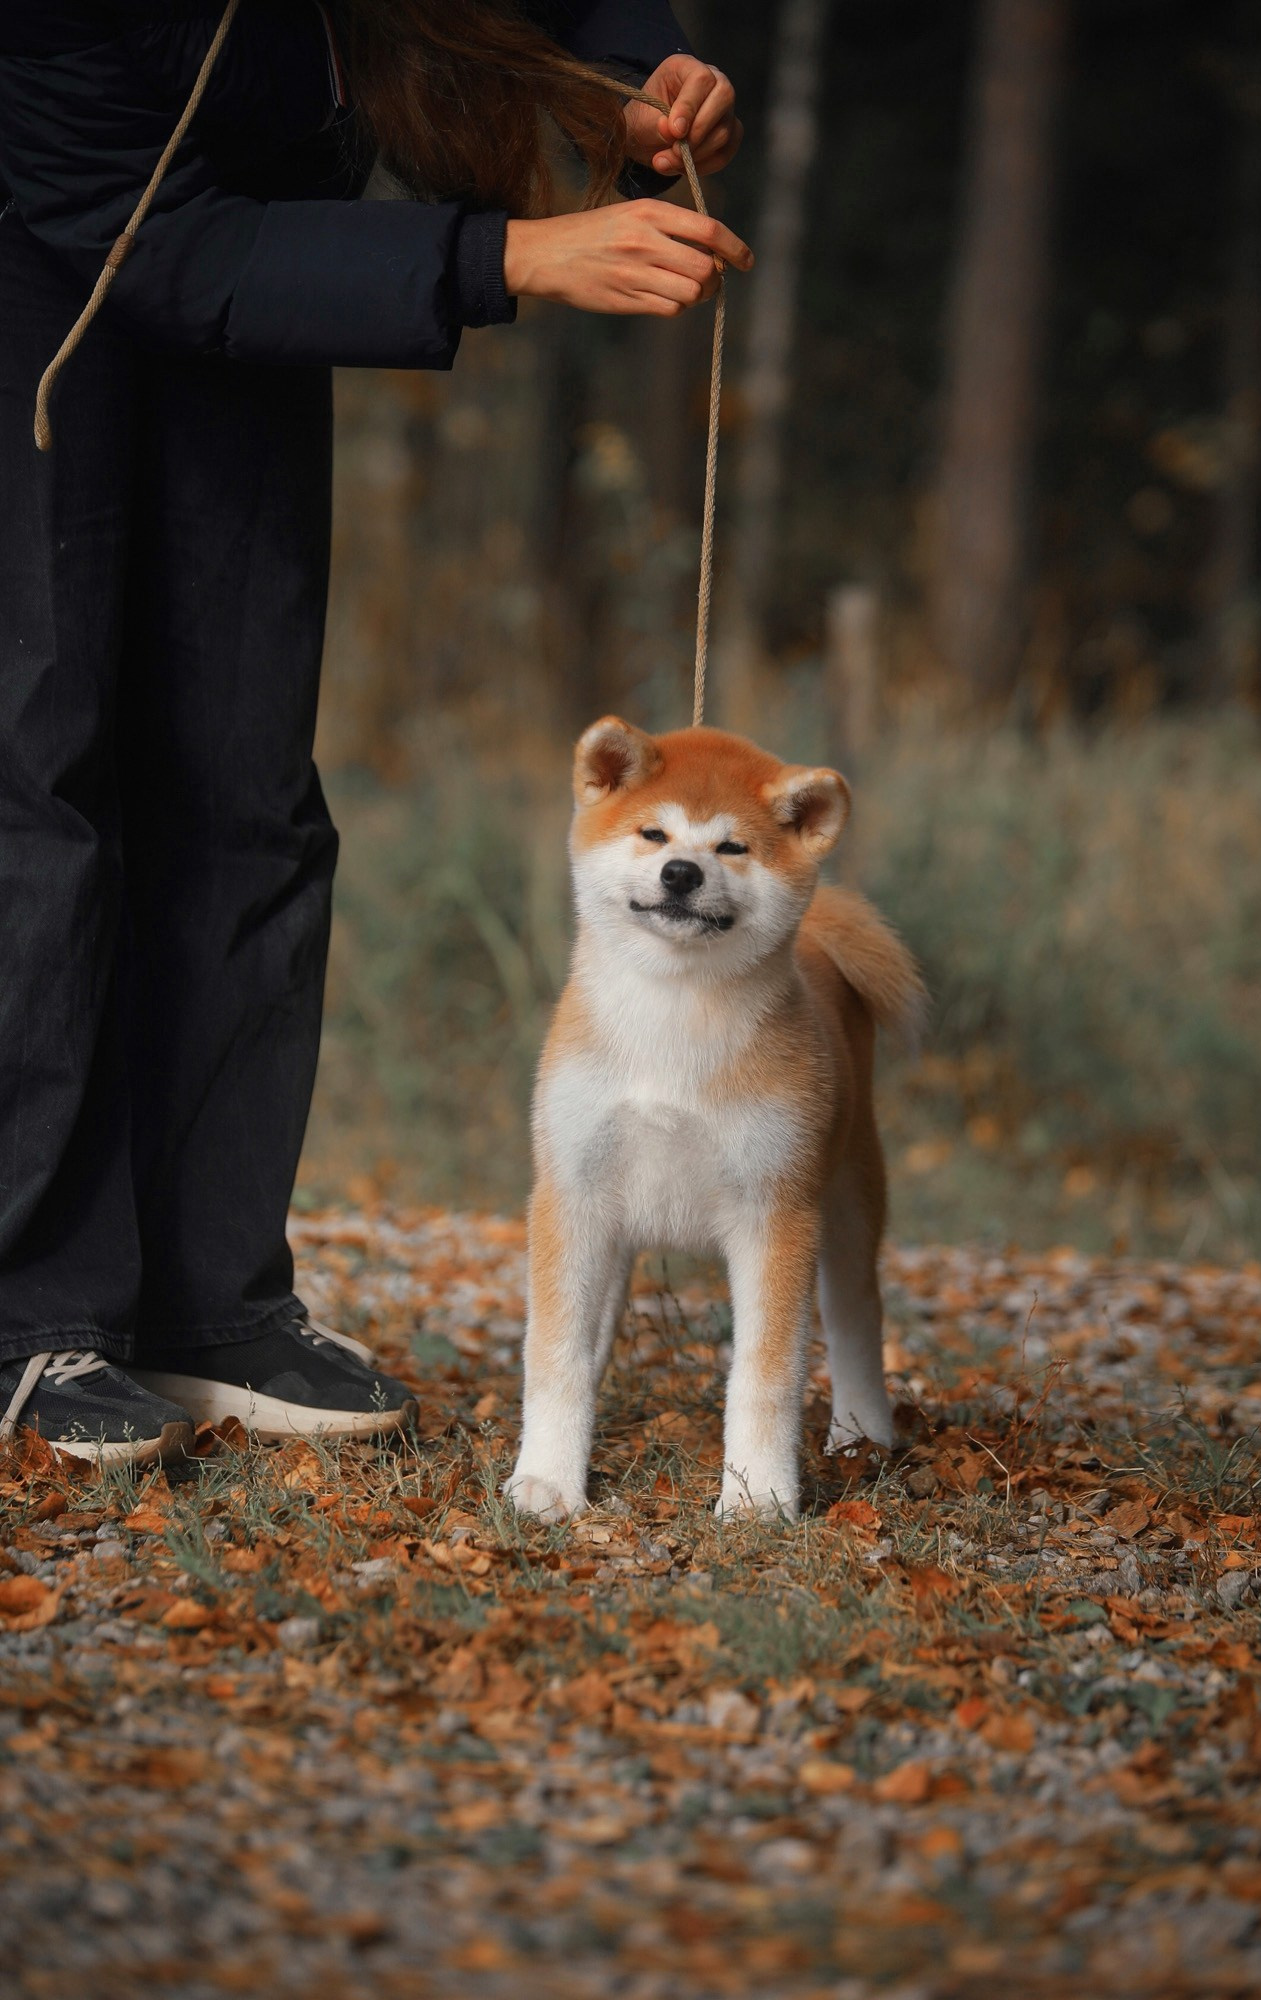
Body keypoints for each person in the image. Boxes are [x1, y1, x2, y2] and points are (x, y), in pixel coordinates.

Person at [0, 0, 750, 1464]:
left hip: (256, 251)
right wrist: (512, 256)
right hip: (46, 270)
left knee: (248, 783)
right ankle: (30, 1313)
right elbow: (151, 242)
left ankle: (206, 1304)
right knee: (40, 784)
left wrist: (628, 72)